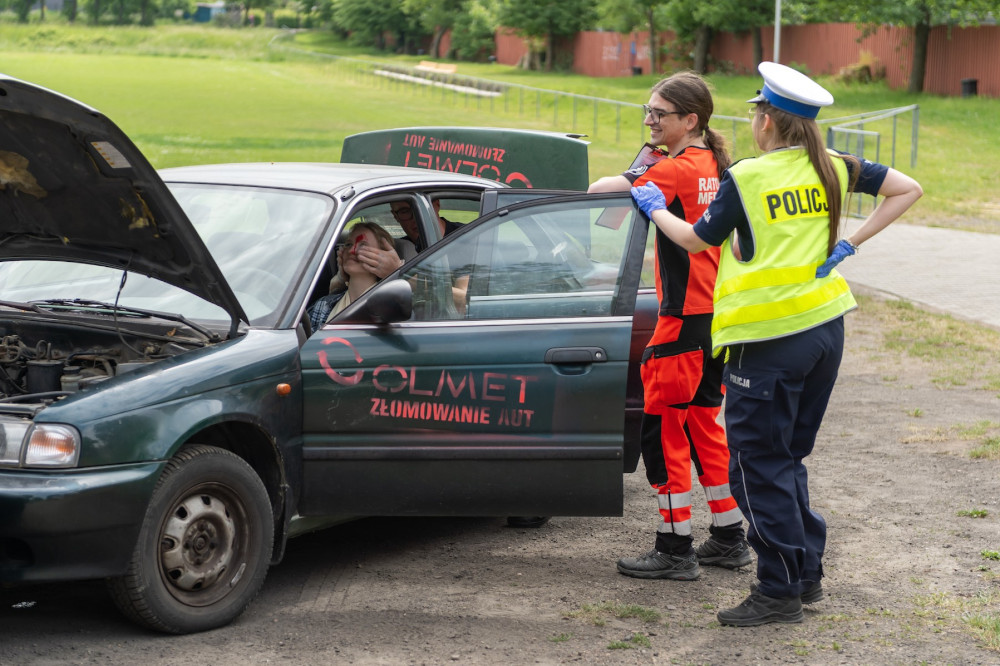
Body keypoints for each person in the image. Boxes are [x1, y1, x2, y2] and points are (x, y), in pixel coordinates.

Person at [631, 62, 923, 625]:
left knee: (755, 466)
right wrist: (850, 245)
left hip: (767, 339)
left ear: (766, 121)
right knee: (786, 459)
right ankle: (804, 576)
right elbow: (908, 189)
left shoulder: (750, 176)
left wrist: (655, 208)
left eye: (755, 114)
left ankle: (778, 589)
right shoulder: (834, 164)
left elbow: (694, 240)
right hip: (825, 327)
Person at [590, 71, 749, 581]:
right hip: (716, 320)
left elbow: (598, 193)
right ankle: (729, 535)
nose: (649, 121)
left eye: (659, 114)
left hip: (680, 322)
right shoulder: (718, 165)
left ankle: (675, 546)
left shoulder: (672, 170)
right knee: (704, 427)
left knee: (663, 433)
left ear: (690, 120)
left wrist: (641, 165)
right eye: (648, 111)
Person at [308, 222, 396, 329]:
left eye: (363, 245)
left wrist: (397, 271)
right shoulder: (322, 305)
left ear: (385, 257)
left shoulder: (391, 311)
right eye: (348, 244)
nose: (351, 250)